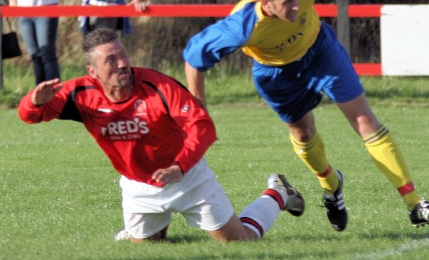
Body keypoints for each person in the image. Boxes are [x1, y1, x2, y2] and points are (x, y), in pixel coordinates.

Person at [183, 0, 429, 233]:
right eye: (287, 3)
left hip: (320, 51)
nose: (297, 6)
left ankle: (415, 204)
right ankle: (331, 186)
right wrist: (199, 110)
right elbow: (194, 58)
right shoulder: (242, 26)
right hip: (276, 74)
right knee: (303, 132)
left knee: (365, 120)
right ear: (265, 3)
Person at [18, 28, 304, 243]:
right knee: (147, 248)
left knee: (240, 242)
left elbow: (202, 126)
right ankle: (142, 228)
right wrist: (35, 100)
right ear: (92, 71)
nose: (122, 64)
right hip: (139, 187)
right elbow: (30, 116)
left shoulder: (157, 86)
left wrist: (180, 166)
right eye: (111, 59)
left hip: (187, 179)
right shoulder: (79, 93)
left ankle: (278, 193)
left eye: (123, 55)